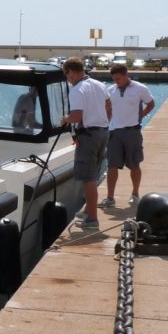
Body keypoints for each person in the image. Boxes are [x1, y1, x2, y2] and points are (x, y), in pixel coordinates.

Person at [60, 57, 112, 230]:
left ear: (72, 72)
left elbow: (77, 115)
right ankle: (89, 209)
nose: (67, 79)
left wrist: (65, 119)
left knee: (87, 178)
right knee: (94, 174)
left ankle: (92, 219)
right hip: (103, 132)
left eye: (66, 75)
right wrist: (103, 123)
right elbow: (109, 107)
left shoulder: (76, 90)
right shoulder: (99, 84)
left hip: (88, 136)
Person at [100, 63, 155, 209]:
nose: (116, 81)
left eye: (118, 78)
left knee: (134, 165)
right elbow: (108, 108)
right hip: (114, 132)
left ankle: (135, 194)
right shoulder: (110, 90)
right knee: (111, 165)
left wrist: (140, 116)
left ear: (125, 75)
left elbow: (151, 104)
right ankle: (110, 197)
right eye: (114, 79)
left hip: (133, 132)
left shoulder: (140, 88)